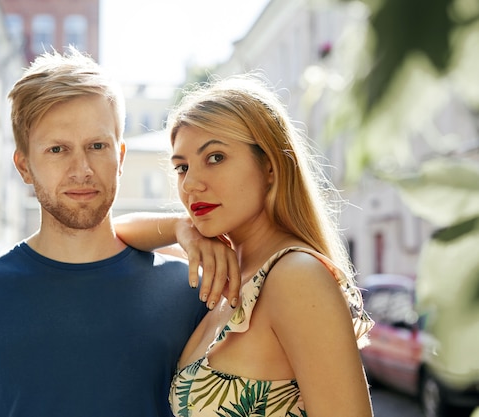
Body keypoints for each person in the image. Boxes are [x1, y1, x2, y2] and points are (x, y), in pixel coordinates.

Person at [0, 48, 238, 417]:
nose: (82, 169)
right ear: (24, 166)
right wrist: (176, 227)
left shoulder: (191, 291)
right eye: (57, 149)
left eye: (97, 146)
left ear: (120, 157)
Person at [115, 74, 375, 416]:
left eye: (216, 157)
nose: (191, 183)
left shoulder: (296, 277)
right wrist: (182, 228)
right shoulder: (228, 272)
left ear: (269, 165)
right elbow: (113, 233)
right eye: (182, 167)